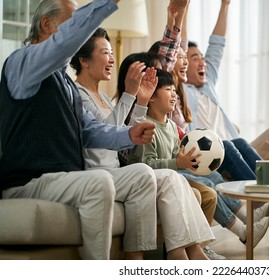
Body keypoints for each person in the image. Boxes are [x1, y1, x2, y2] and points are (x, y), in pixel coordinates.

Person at [0, 0, 212, 260]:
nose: (80, 33)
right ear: (46, 24)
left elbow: (88, 128)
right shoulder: (22, 63)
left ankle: (134, 263)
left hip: (63, 179)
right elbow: (61, 44)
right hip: (29, 181)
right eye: (73, 24)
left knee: (143, 175)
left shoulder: (63, 81)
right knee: (99, 181)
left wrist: (128, 135)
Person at [179, 0, 269, 250]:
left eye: (202, 58)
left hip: (236, 155)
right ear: (183, 65)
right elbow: (179, 46)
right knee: (236, 143)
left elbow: (217, 45)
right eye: (194, 58)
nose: (202, 62)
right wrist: (183, 7)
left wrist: (225, 5)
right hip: (213, 164)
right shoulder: (181, 91)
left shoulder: (208, 82)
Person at [70, 27, 215, 260]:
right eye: (105, 53)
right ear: (84, 60)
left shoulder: (104, 97)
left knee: (174, 177)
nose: (112, 59)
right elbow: (106, 134)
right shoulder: (77, 94)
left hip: (117, 172)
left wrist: (142, 101)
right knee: (167, 176)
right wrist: (129, 94)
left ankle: (189, 252)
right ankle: (179, 256)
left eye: (111, 53)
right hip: (97, 173)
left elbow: (127, 138)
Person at [127, 68, 269, 250]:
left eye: (174, 90)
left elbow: (175, 156)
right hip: (159, 179)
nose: (174, 95)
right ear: (152, 97)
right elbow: (146, 165)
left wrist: (185, 161)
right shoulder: (147, 127)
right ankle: (243, 232)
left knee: (213, 177)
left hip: (175, 172)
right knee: (207, 186)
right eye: (168, 90)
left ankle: (248, 218)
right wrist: (178, 163)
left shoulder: (171, 126)